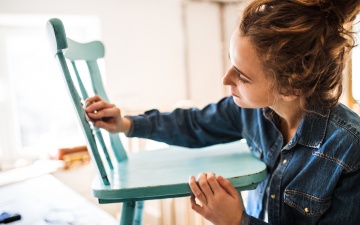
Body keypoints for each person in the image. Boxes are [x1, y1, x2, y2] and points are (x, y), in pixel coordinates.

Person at [85, 0, 360, 224]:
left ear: (289, 88)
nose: (226, 79)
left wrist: (237, 221)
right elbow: (194, 124)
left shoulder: (350, 150)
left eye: (242, 76)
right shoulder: (251, 112)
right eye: (231, 63)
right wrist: (127, 124)